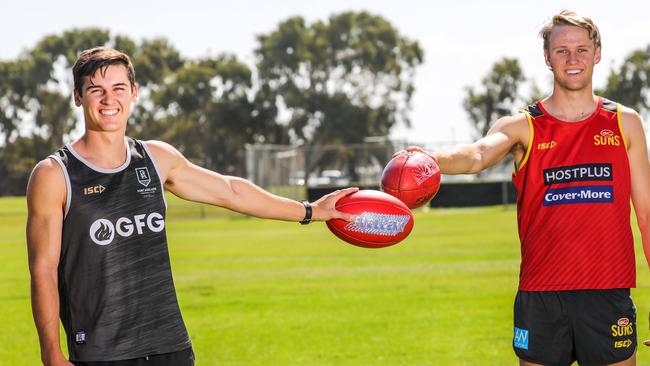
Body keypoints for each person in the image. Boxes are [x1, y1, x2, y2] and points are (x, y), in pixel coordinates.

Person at [26, 46, 357, 366]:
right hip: (100, 352)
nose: (109, 99)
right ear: (78, 97)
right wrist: (51, 354)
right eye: (96, 90)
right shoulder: (55, 174)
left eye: (119, 88)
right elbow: (43, 270)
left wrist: (310, 211)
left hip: (169, 347)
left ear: (134, 93)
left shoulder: (156, 159)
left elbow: (231, 192)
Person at [404, 10, 650, 365]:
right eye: (561, 50)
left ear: (597, 53)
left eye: (581, 49)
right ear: (547, 58)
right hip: (541, 296)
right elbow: (476, 155)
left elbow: (645, 215)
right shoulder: (523, 126)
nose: (572, 59)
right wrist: (432, 158)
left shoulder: (625, 122)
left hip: (607, 291)